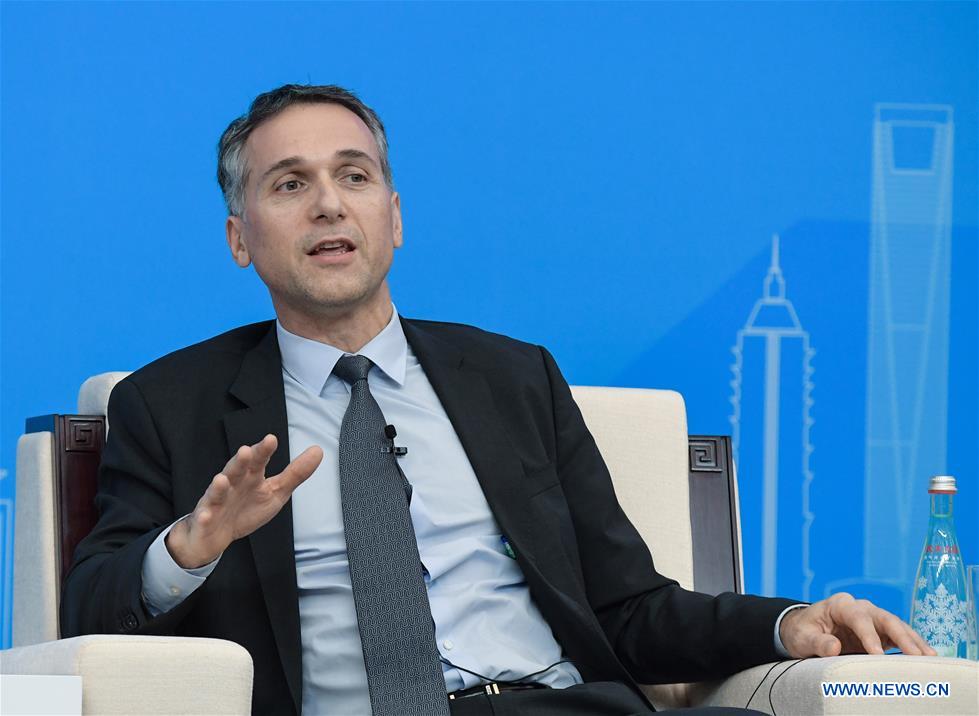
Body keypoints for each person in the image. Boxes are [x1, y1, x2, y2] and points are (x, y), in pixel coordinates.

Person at [61, 84, 934, 716]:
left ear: (394, 217)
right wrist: (190, 547)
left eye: (353, 176)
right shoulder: (167, 404)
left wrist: (789, 624)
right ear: (239, 238)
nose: (327, 204)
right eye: (289, 184)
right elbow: (87, 609)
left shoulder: (513, 379)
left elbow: (628, 608)